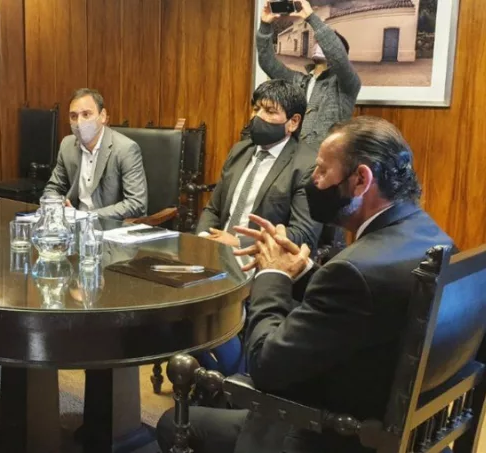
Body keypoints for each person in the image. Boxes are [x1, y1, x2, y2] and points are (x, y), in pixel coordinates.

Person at [157, 116, 453, 453]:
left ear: (361, 179)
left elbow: (264, 365)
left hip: (326, 432)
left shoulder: (353, 271)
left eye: (323, 171)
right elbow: (361, 309)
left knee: (171, 422)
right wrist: (303, 271)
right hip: (402, 427)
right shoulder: (434, 239)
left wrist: (272, 275)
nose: (314, 180)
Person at [192, 79, 322, 374]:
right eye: (256, 109)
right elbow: (213, 209)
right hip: (214, 255)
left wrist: (239, 243)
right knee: (175, 310)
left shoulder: (306, 164)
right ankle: (208, 377)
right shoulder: (241, 151)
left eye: (269, 111)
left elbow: (302, 235)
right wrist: (204, 238)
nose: (258, 117)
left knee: (204, 318)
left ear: (293, 122)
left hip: (259, 263)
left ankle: (236, 379)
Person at [257, 0, 361, 146]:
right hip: (295, 155)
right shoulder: (299, 80)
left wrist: (311, 17)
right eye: (317, 42)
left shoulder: (346, 83)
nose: (318, 44)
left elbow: (338, 55)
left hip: (328, 156)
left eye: (323, 43)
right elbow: (267, 62)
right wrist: (265, 25)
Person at [44, 88, 147, 220]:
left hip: (110, 225)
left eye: (86, 114)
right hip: (74, 224)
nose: (79, 122)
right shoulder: (67, 145)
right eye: (74, 116)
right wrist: (57, 204)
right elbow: (53, 188)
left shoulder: (125, 149)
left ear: (102, 116)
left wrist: (87, 216)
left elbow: (136, 204)